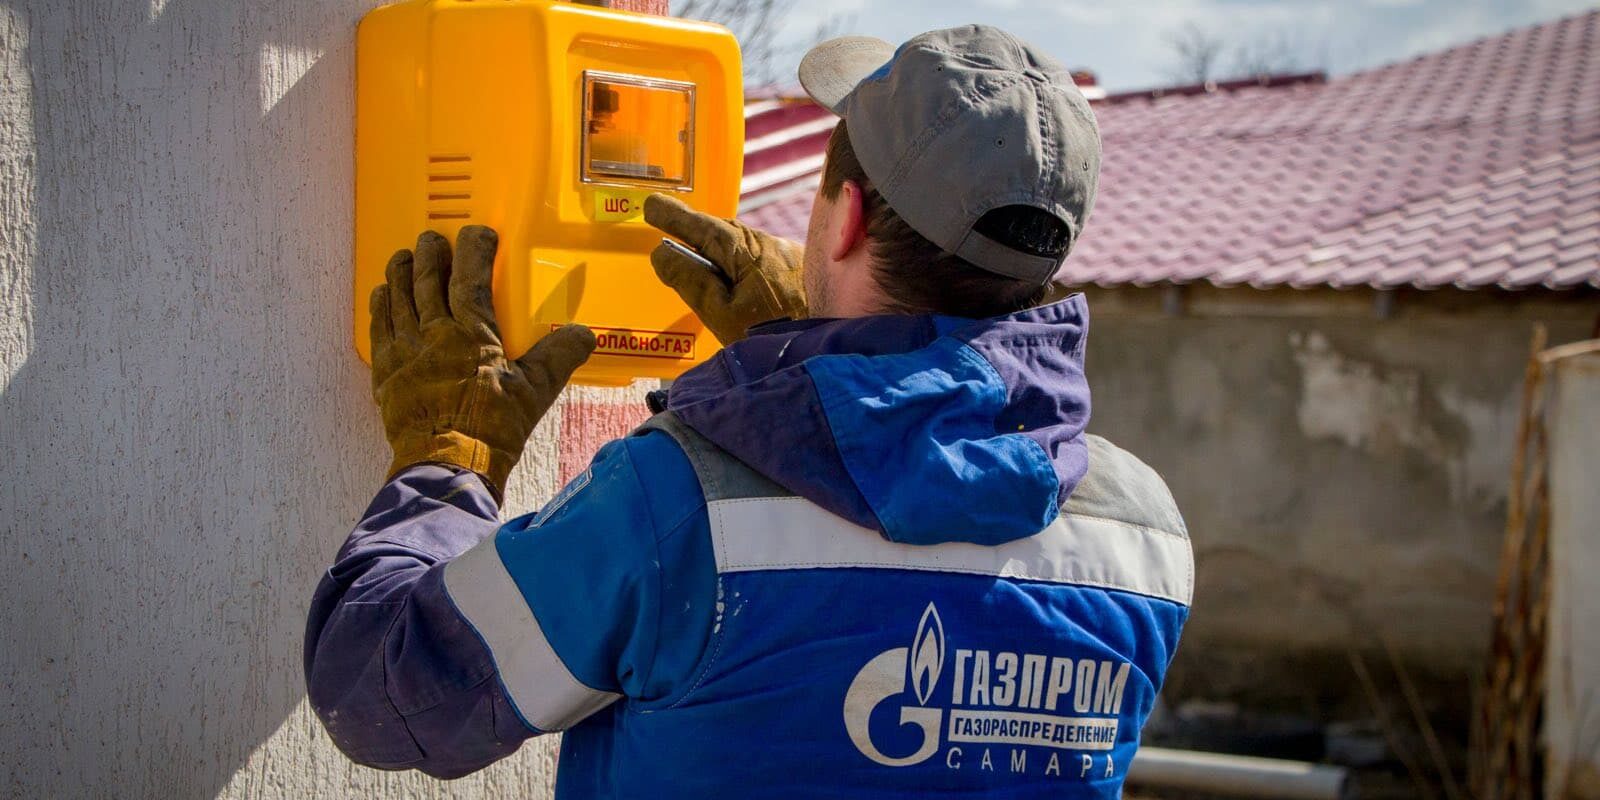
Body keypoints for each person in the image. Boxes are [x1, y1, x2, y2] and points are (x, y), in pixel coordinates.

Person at [305, 25, 1191, 798]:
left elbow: (386, 696)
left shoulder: (680, 506)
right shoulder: (1144, 531)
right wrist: (800, 370)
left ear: (844, 221)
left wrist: (449, 455)